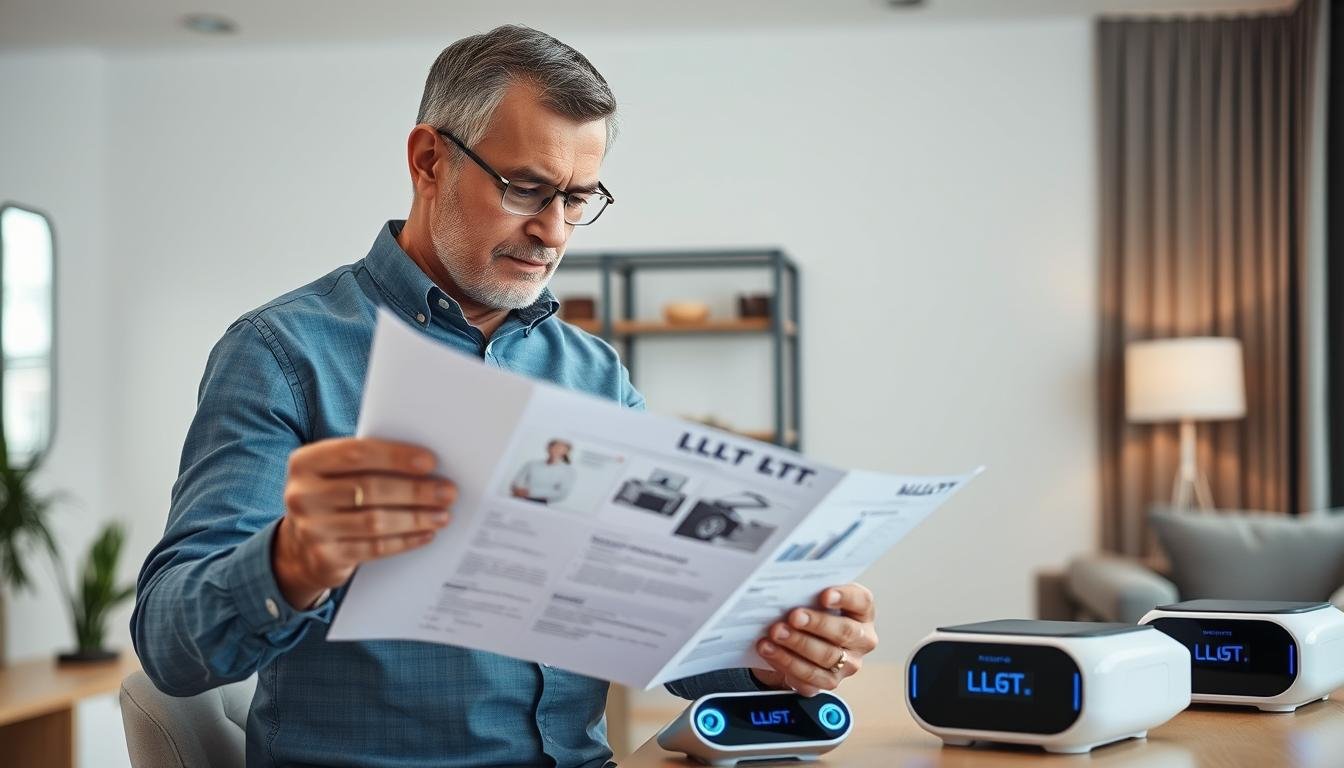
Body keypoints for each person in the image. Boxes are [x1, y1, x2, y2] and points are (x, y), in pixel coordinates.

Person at [132, 24, 879, 768]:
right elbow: (170, 646)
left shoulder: (594, 375)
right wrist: (293, 560)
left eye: (578, 199)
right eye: (526, 188)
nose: (552, 232)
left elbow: (655, 626)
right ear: (429, 160)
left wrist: (773, 653)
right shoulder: (282, 354)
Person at [511, 439, 576, 504]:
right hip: (519, 498)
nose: (556, 450)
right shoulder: (532, 464)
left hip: (539, 503)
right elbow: (518, 481)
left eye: (560, 449)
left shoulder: (567, 471)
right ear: (548, 448)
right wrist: (518, 490)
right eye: (554, 447)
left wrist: (530, 492)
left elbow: (562, 492)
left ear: (565, 452)